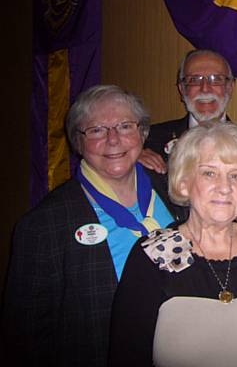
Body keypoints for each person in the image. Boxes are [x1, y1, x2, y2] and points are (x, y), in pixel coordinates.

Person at [2, 85, 185, 367]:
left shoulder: (174, 193)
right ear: (78, 140)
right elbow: (25, 338)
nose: (114, 139)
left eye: (125, 126)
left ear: (142, 133)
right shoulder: (44, 224)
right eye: (97, 130)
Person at [109, 121, 237, 367]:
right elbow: (127, 354)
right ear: (184, 182)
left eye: (235, 176)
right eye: (209, 173)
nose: (225, 187)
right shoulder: (153, 255)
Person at [140, 49, 237, 174]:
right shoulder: (149, 141)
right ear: (182, 89)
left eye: (216, 79)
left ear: (230, 88)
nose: (205, 88)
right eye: (195, 80)